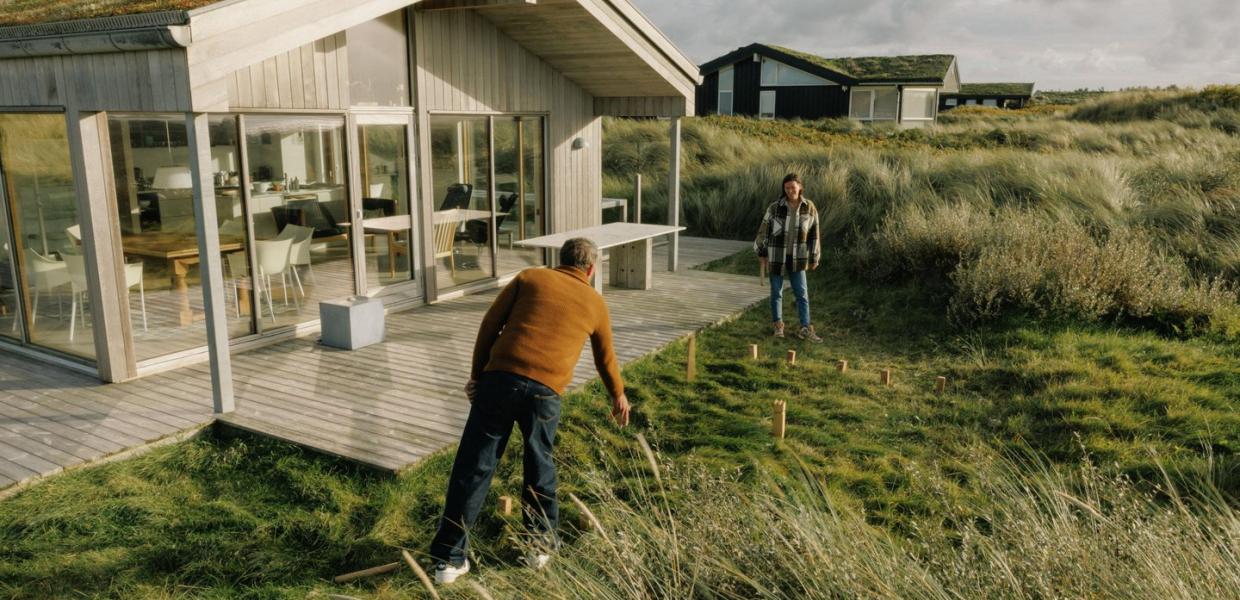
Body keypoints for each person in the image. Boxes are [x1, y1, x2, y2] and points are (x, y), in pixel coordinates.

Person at [429, 237, 631, 585]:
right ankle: (538, 548)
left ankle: (449, 560)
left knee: (475, 464)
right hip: (546, 392)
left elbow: (489, 326)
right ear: (591, 269)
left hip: (500, 379)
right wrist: (619, 395)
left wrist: (478, 377)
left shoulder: (529, 277)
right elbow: (606, 358)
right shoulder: (596, 303)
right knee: (540, 464)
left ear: (559, 260)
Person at [754, 173, 823, 343]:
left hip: (798, 258)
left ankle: (805, 328)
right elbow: (763, 230)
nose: (790, 190)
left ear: (800, 187)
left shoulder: (809, 207)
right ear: (783, 189)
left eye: (793, 187)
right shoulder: (774, 207)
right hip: (776, 256)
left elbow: (815, 234)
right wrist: (761, 252)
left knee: (802, 294)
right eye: (787, 188)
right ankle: (778, 326)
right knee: (776, 293)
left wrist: (814, 256)